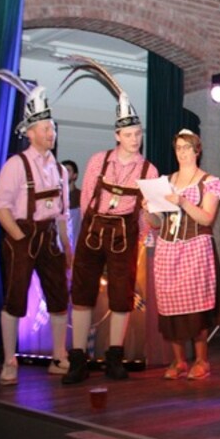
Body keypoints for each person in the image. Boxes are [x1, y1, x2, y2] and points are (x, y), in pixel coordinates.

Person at [61, 59, 158, 385]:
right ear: (117, 134)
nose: (135, 139)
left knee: (121, 297)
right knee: (82, 294)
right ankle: (78, 359)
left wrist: (144, 230)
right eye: (129, 134)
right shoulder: (97, 161)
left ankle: (115, 356)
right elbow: (87, 200)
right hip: (92, 232)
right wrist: (90, 230)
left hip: (124, 235)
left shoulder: (149, 170)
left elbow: (146, 213)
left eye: (138, 133)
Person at [0, 73, 72, 385]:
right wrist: (18, 237)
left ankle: (59, 356)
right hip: (22, 236)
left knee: (59, 297)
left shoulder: (59, 170)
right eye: (46, 128)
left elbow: (62, 214)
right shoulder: (16, 164)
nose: (51, 133)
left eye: (53, 128)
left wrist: (67, 246)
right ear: (31, 133)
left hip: (50, 238)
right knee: (15, 298)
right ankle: (9, 361)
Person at [145, 130, 220, 380]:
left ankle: (201, 360)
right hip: (168, 248)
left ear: (197, 150)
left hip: (195, 247)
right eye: (179, 148)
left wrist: (183, 202)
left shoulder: (209, 182)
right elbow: (157, 223)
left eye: (187, 147)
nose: (183, 152)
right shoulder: (166, 181)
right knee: (170, 306)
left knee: (196, 309)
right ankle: (179, 361)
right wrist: (148, 210)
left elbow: (207, 218)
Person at [62, 159, 82, 246]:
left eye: (67, 171)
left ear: (75, 176)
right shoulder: (55, 197)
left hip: (75, 243)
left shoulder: (81, 197)